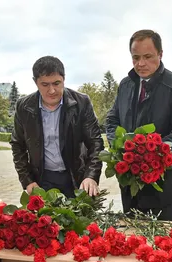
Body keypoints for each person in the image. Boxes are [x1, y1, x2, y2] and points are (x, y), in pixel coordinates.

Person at [106, 30, 172, 221]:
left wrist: (150, 155)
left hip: (162, 184)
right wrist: (120, 147)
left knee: (162, 245)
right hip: (129, 182)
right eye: (135, 57)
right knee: (130, 240)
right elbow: (112, 121)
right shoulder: (125, 85)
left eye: (147, 57)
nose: (141, 64)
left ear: (160, 54)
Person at [10, 56, 104, 198]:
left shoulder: (81, 103)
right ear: (35, 82)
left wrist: (91, 176)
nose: (52, 90)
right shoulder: (24, 107)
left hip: (77, 178)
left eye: (56, 83)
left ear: (64, 79)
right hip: (42, 180)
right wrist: (27, 181)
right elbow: (18, 145)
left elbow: (96, 142)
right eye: (45, 84)